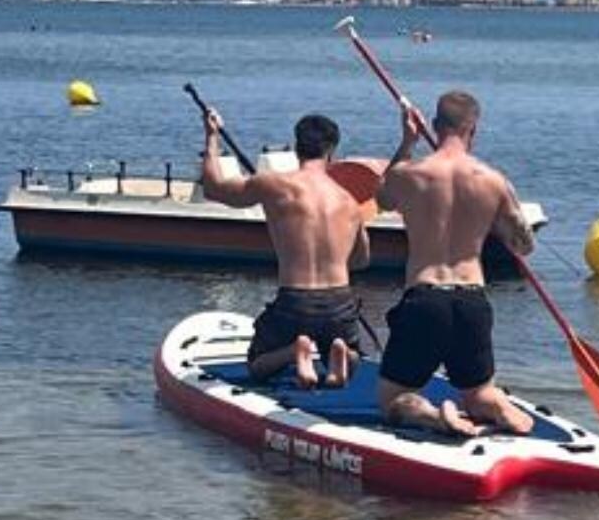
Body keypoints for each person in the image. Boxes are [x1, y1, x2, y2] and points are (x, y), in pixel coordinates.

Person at [375, 90, 535, 436]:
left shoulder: (410, 173)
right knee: (479, 393)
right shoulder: (494, 181)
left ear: (434, 126)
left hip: (425, 297)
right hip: (472, 300)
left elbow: (382, 199)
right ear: (473, 130)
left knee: (393, 399)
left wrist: (406, 143)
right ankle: (501, 408)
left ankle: (435, 417)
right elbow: (523, 246)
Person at [201, 111, 370, 388]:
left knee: (256, 365)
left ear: (296, 147)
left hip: (295, 301)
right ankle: (341, 354)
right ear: (332, 153)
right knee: (354, 359)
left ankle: (294, 351)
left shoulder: (274, 185)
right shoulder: (348, 202)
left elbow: (213, 188)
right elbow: (362, 260)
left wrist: (212, 137)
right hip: (339, 303)